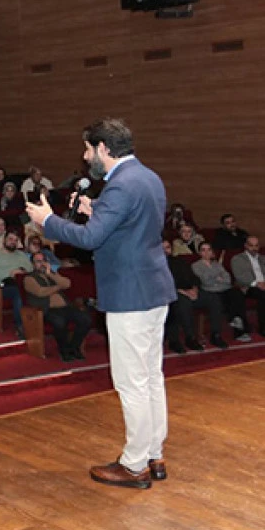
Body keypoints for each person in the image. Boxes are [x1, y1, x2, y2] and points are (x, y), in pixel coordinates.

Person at [26, 118, 175, 490]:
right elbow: (129, 226)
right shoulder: (147, 177)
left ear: (104, 149)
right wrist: (98, 210)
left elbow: (90, 240)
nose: (85, 155)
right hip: (153, 288)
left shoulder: (120, 185)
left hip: (130, 294)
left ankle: (135, 463)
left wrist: (48, 221)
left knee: (131, 382)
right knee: (151, 376)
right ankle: (154, 452)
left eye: (88, 149)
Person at [23, 252, 92, 362]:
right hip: (46, 309)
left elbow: (67, 283)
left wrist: (50, 274)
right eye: (38, 261)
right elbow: (41, 292)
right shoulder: (29, 278)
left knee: (86, 319)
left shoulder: (52, 274)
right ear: (33, 264)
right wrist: (58, 286)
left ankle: (73, 348)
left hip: (65, 307)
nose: (42, 264)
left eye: (43, 261)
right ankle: (64, 351)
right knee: (59, 322)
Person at [162, 240, 208, 354]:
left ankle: (216, 334)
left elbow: (193, 277)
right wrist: (182, 291)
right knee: (181, 303)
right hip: (168, 294)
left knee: (213, 298)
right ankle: (184, 339)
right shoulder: (154, 264)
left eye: (167, 248)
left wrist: (195, 288)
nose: (165, 251)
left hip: (189, 290)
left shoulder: (179, 261)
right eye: (162, 248)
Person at [0, 231, 33, 338]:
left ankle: (37, 323)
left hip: (21, 284)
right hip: (0, 287)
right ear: (4, 240)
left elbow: (30, 269)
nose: (13, 242)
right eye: (10, 239)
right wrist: (11, 273)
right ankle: (20, 325)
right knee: (17, 293)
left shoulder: (21, 255)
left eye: (16, 240)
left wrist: (21, 271)